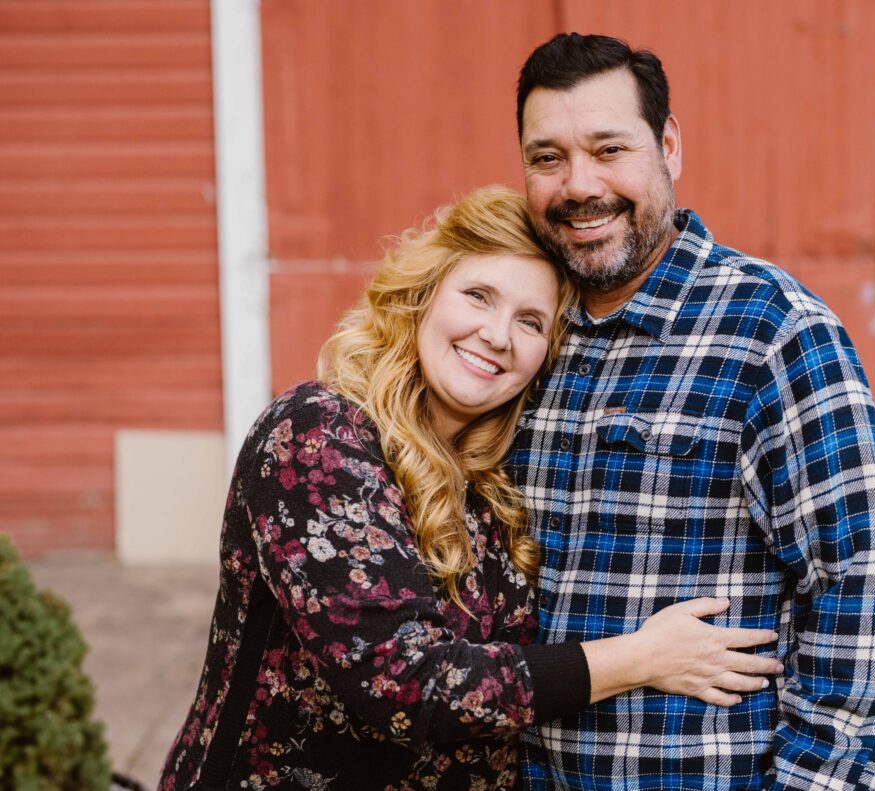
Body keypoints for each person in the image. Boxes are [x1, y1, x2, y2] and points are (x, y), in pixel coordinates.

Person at [158, 186, 782, 791]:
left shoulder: (493, 480)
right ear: (425, 293)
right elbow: (405, 683)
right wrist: (643, 658)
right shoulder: (318, 433)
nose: (497, 335)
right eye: (479, 295)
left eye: (531, 321)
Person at [507, 34, 875, 790]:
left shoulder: (775, 333)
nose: (578, 184)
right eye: (547, 158)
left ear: (668, 148)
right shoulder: (519, 333)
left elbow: (861, 609)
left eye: (609, 149)